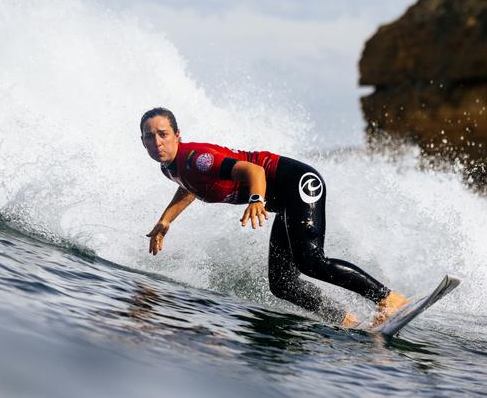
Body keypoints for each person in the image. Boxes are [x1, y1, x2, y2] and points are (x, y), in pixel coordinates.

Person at [140, 107, 409, 327]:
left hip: (298, 183)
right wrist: (166, 220)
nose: (157, 142)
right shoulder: (171, 167)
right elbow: (191, 187)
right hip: (285, 202)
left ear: (177, 134)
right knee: (282, 284)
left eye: (162, 134)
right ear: (143, 142)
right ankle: (347, 320)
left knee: (311, 261)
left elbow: (254, 171)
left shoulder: (198, 159)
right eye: (149, 137)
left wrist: (256, 199)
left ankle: (388, 299)